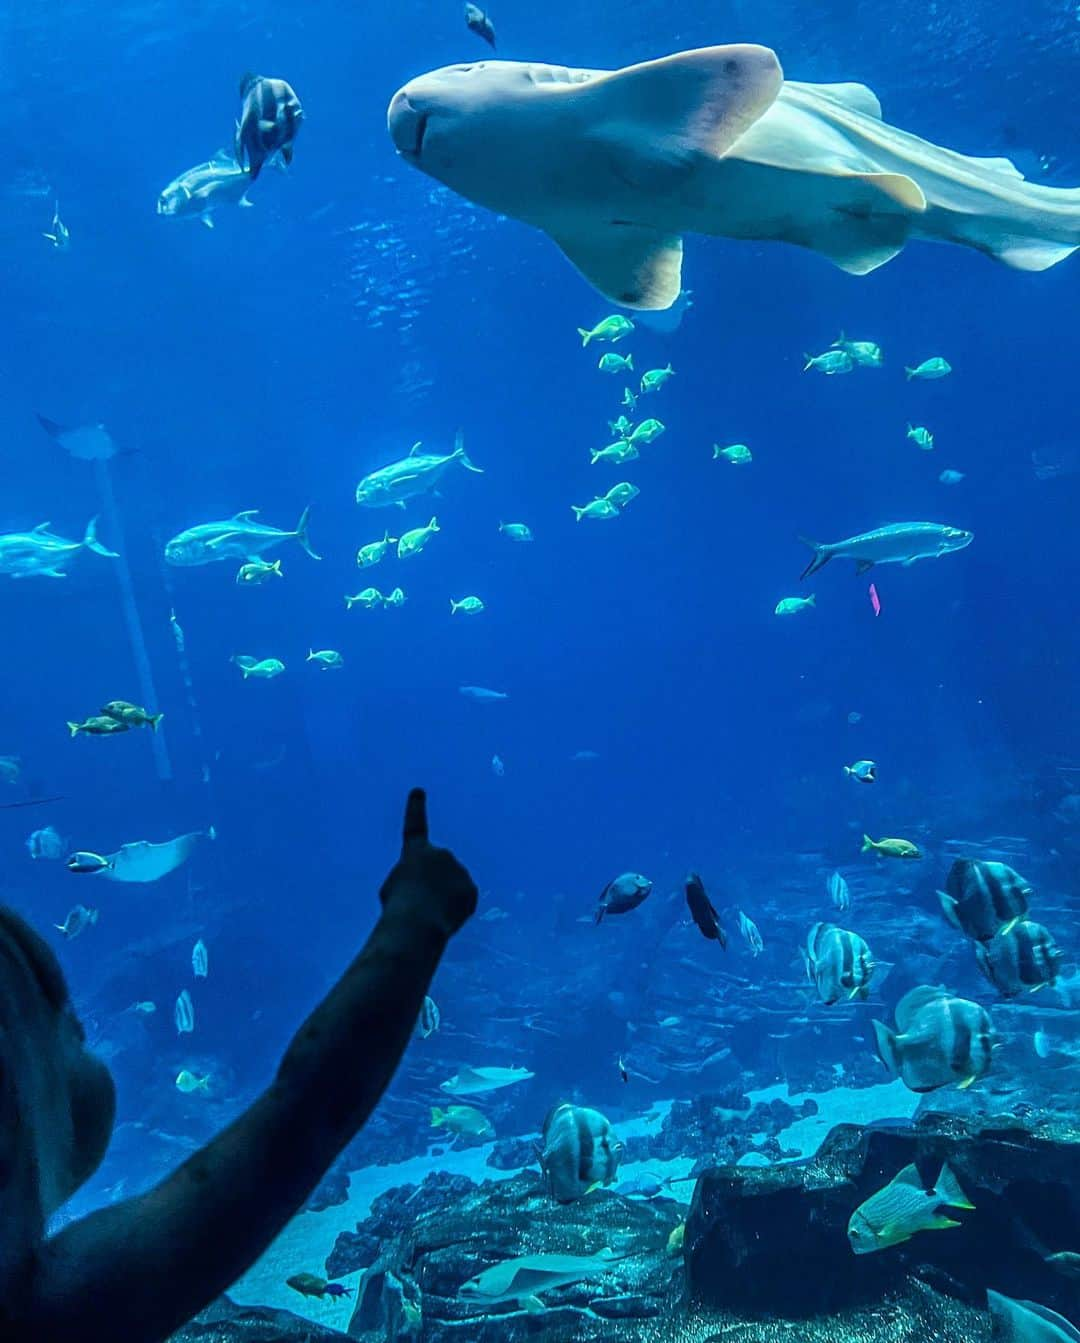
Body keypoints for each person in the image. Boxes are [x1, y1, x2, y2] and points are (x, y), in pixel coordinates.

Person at [0, 788, 476, 1343]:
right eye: (70, 1031)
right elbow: (309, 1109)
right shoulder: (54, 1309)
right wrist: (416, 918)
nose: (87, 1036)